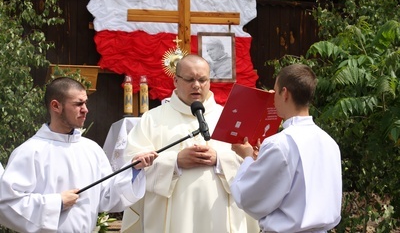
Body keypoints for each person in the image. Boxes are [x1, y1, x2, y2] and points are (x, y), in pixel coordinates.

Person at [121, 54, 259, 233]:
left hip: (220, 217)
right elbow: (132, 166)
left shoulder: (229, 117)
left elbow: (249, 163)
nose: (197, 85)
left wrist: (219, 159)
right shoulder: (152, 119)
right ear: (176, 81)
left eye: (202, 80)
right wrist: (175, 161)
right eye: (190, 79)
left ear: (209, 81)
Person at [0, 77, 158, 232]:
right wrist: (57, 203)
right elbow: (7, 204)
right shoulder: (30, 151)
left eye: (86, 103)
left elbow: (107, 196)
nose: (85, 109)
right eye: (78, 104)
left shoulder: (91, 149)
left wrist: (134, 169)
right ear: (56, 106)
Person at [230, 64, 342, 232]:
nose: (273, 98)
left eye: (275, 92)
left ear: (285, 93)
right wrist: (263, 159)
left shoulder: (280, 144)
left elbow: (249, 198)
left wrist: (247, 158)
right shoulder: (329, 141)